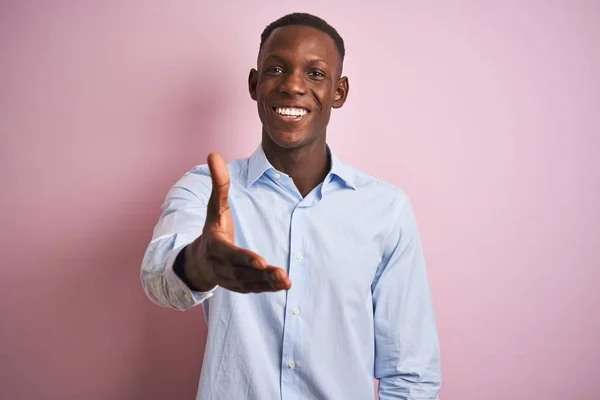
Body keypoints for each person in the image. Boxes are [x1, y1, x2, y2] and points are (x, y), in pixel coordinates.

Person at [141, 12, 441, 400]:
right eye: (276, 69)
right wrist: (200, 262)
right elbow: (157, 279)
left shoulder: (386, 210)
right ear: (254, 84)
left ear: (339, 91)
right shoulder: (206, 190)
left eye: (315, 73)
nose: (293, 85)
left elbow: (411, 373)